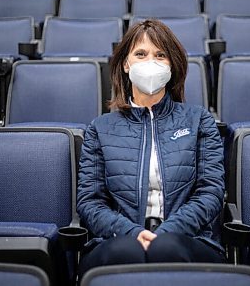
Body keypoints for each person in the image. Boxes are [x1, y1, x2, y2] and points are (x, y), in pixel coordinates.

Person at [76, 19, 226, 276]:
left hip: (189, 239)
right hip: (116, 239)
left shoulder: (199, 119)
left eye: (160, 55)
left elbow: (210, 193)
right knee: (125, 251)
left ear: (171, 65)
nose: (150, 62)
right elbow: (91, 202)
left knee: (166, 248)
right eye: (141, 54)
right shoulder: (100, 128)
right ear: (126, 64)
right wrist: (133, 233)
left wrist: (167, 232)